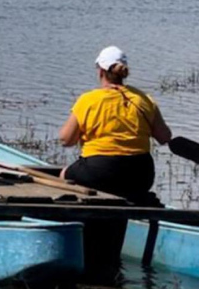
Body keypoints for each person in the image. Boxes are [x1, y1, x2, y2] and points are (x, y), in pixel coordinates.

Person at [58, 46, 172, 203]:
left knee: (64, 174)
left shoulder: (88, 100)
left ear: (101, 72)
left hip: (99, 172)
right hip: (141, 176)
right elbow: (164, 137)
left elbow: (66, 140)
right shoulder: (144, 99)